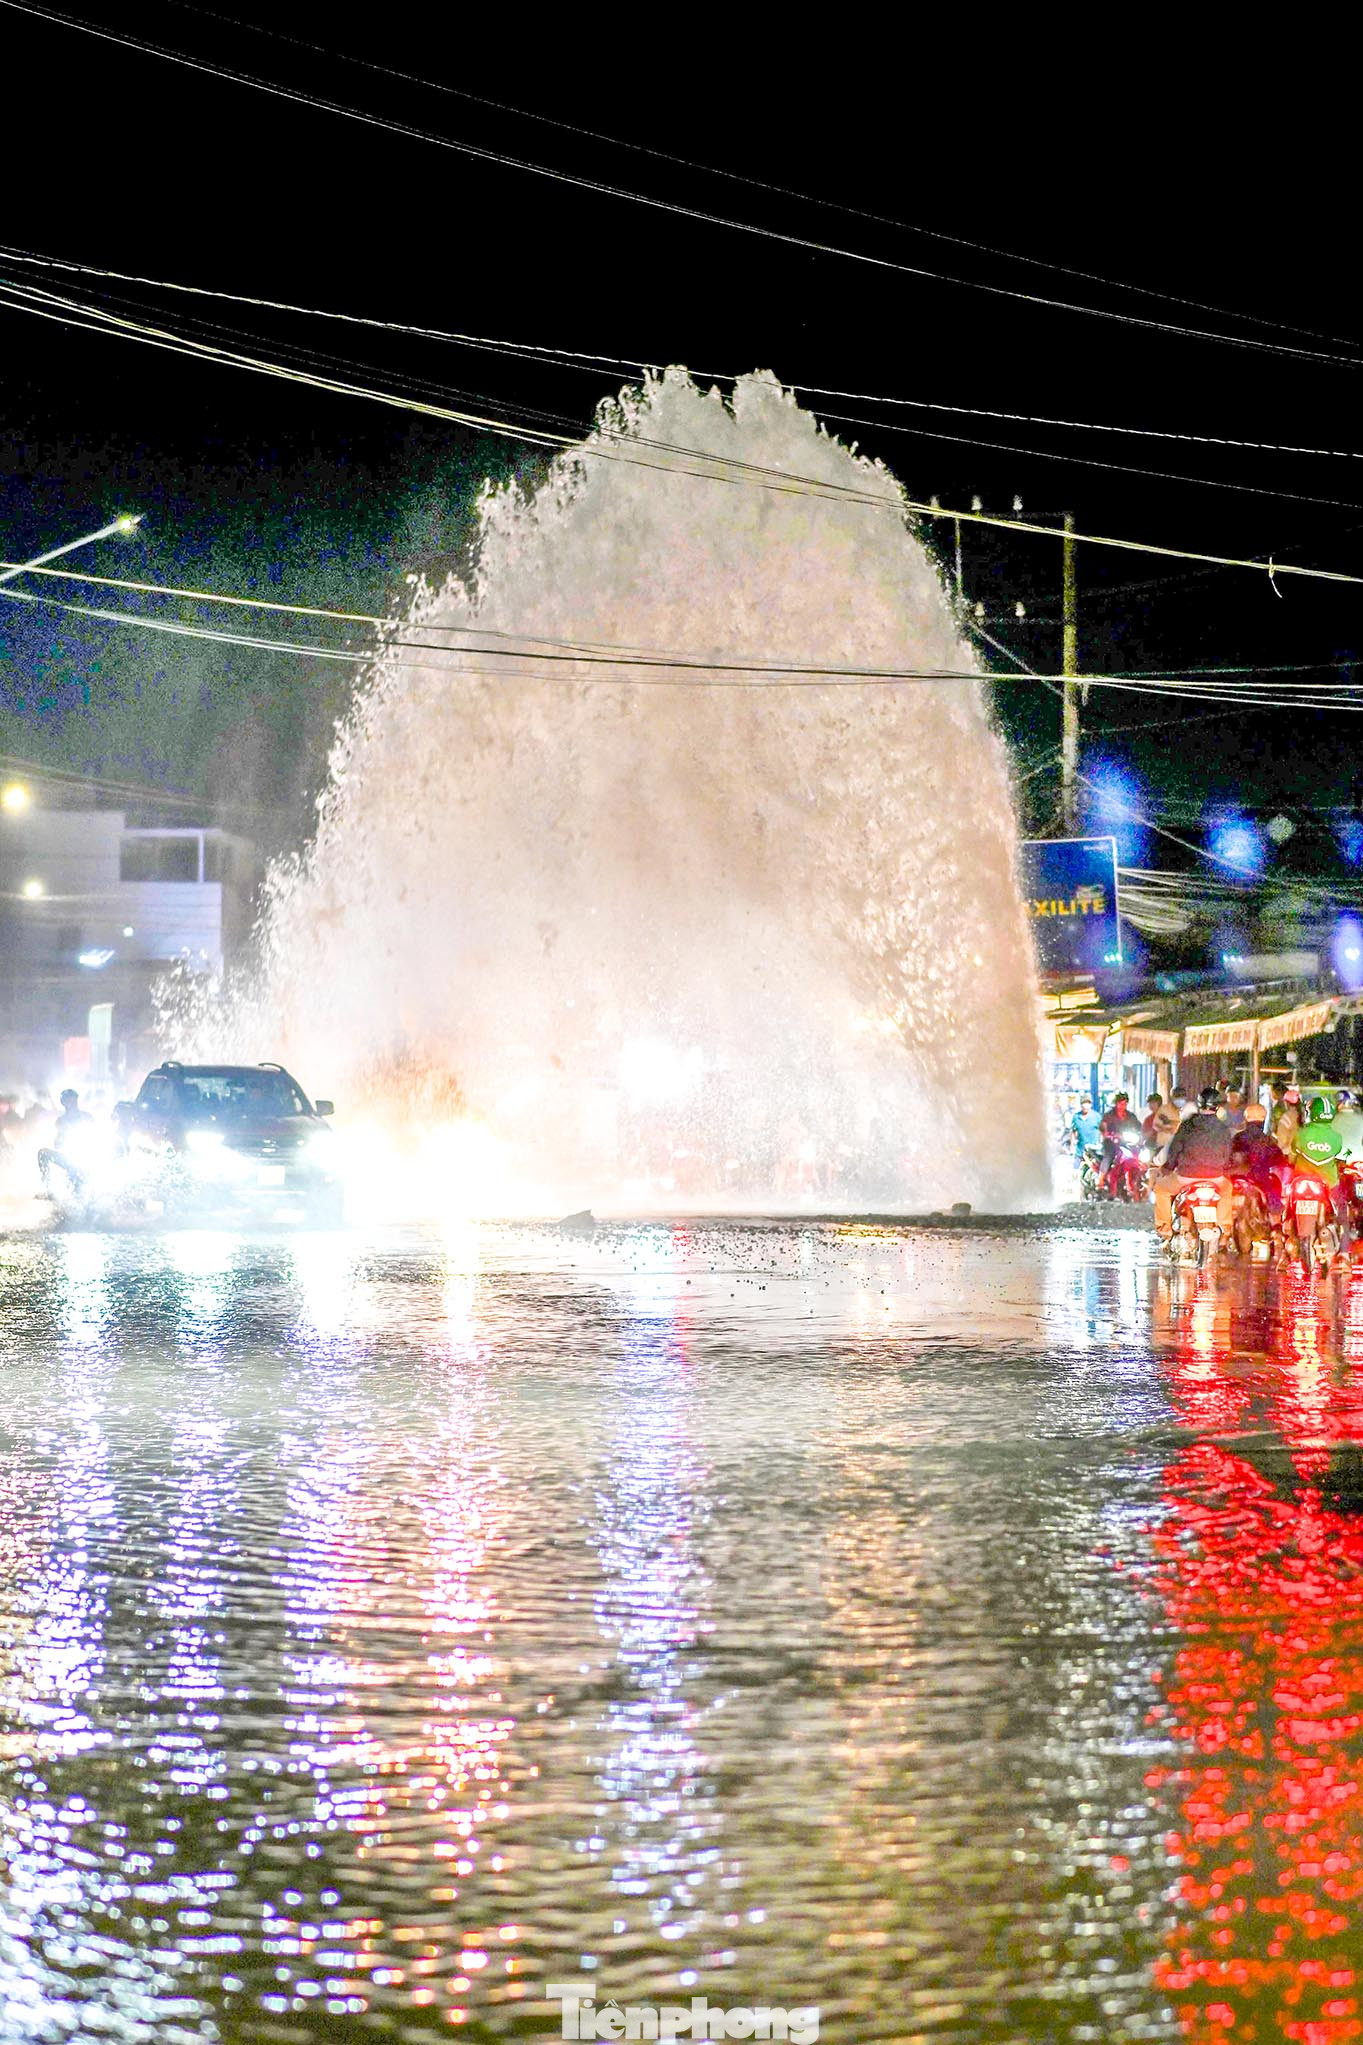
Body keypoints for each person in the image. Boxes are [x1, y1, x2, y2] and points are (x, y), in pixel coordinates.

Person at [1154, 1086, 1234, 1247]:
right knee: (1227, 1190)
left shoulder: (1187, 1125)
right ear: (1217, 1106)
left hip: (1186, 1177)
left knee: (1161, 1189)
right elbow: (1228, 1154)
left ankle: (1165, 1229)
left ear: (1200, 1104)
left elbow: (1175, 1149)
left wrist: (1168, 1167)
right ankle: (1225, 1227)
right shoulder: (1223, 1129)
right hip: (1215, 1178)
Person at [1288, 1096, 1350, 1250]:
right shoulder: (1336, 1137)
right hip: (1329, 1182)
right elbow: (1341, 1156)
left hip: (1300, 1182)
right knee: (1343, 1214)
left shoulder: (1301, 1134)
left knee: (1287, 1209)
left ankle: (1285, 1249)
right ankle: (1344, 1254)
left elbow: (1292, 1154)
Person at [1230, 1103, 1288, 1216]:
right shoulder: (1267, 1140)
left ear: (1246, 1118)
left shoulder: (1238, 1138)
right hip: (1261, 1181)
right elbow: (1279, 1159)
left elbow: (1229, 1156)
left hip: (1237, 1179)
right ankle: (1276, 1225)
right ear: (1263, 1119)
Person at [38, 1087, 93, 1197]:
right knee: (42, 1153)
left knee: (78, 1187)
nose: (71, 1103)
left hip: (87, 1156)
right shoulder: (61, 1121)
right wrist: (61, 1136)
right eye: (68, 1100)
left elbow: (96, 1138)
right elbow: (57, 1144)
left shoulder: (87, 1117)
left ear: (76, 1101)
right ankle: (48, 1189)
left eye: (73, 1100)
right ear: (63, 1103)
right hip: (68, 1158)